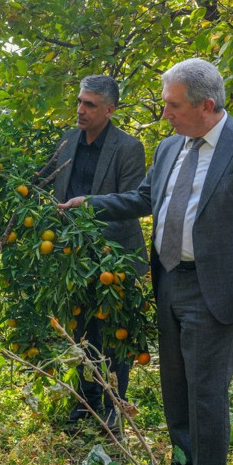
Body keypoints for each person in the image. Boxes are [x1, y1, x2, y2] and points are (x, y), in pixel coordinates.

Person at [58, 59, 233, 465]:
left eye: (173, 105)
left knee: (206, 392)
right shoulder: (169, 147)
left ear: (207, 106)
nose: (165, 113)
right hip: (167, 280)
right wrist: (92, 203)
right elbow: (145, 199)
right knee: (175, 390)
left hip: (217, 288)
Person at [52, 74, 148, 433]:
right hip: (75, 257)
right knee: (79, 332)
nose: (80, 110)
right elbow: (49, 184)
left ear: (109, 109)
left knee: (114, 336)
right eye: (79, 101)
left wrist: (89, 206)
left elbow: (134, 202)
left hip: (115, 257)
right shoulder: (66, 141)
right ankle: (85, 405)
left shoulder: (127, 147)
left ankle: (112, 407)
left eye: (89, 104)